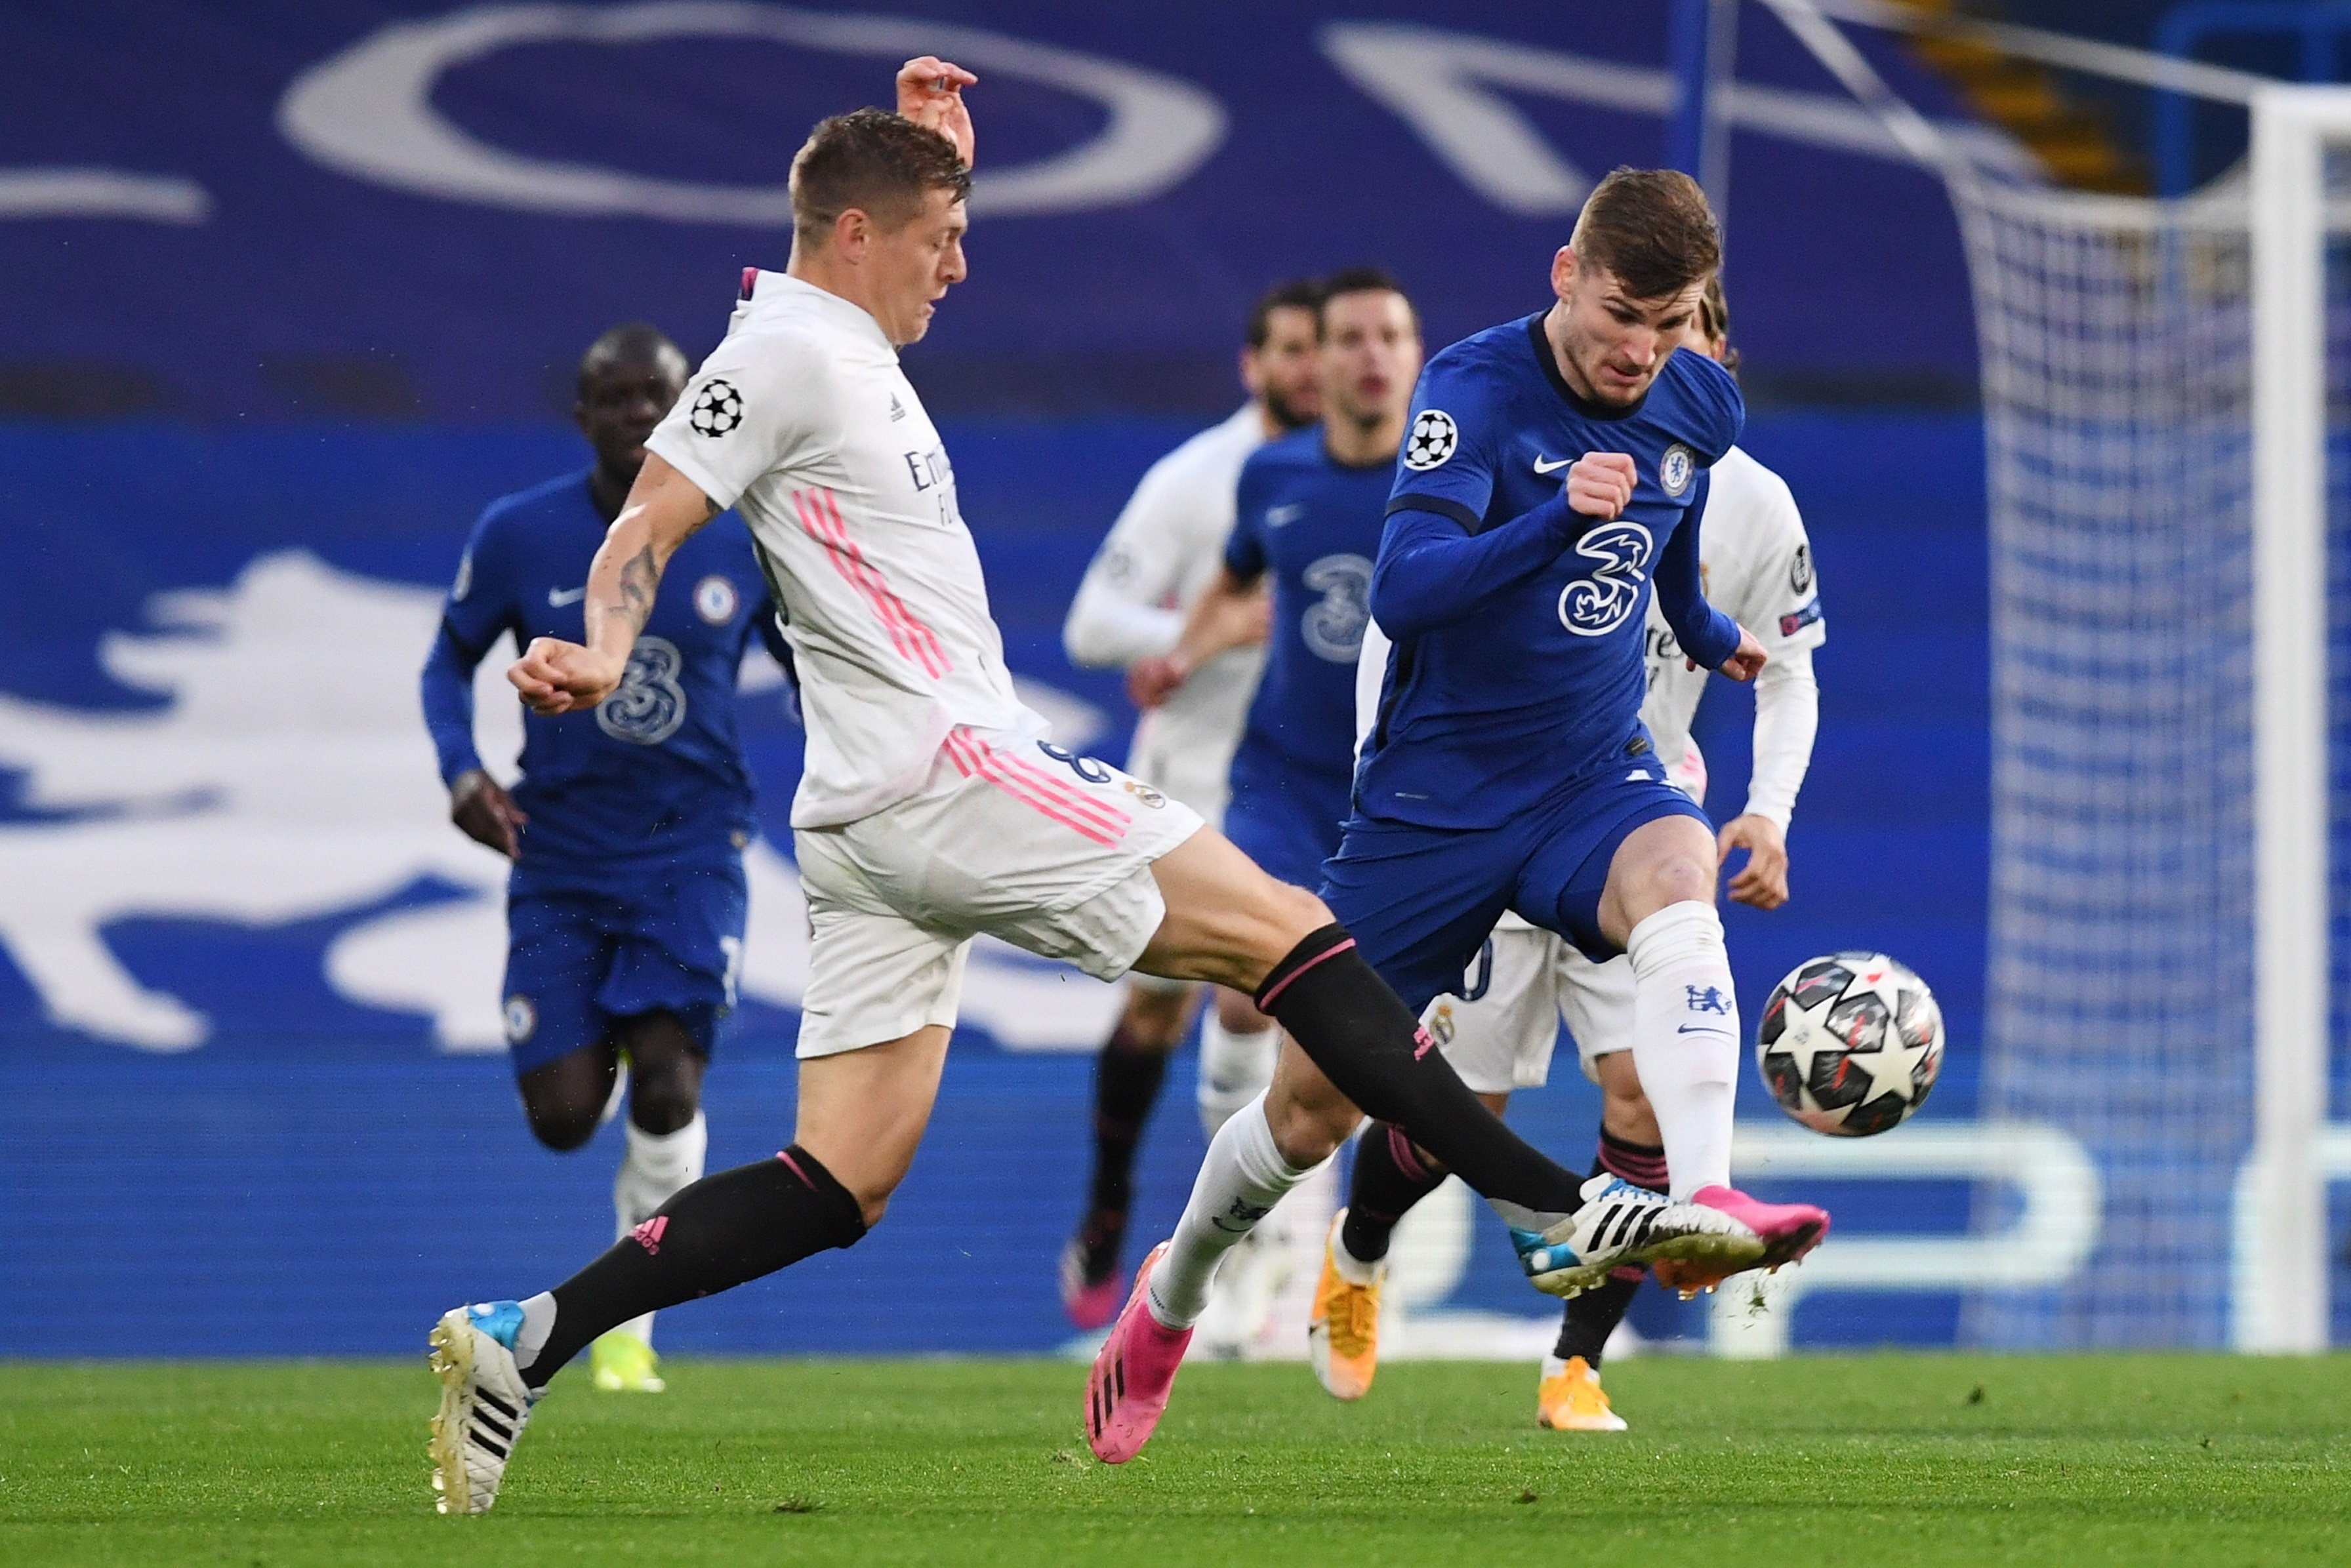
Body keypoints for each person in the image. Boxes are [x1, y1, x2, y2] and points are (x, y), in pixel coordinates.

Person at [425, 61, 1721, 1514]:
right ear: (854, 238)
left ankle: (523, 1337)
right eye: (939, 239)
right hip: (948, 767)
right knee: (1291, 933)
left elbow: (868, 227)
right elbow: (645, 523)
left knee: (839, 1178)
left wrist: (935, 152)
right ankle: (1554, 1210)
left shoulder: (833, 332)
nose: (961, 266)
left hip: (863, 819)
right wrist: (606, 647)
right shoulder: (778, 352)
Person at [1093, 171, 1831, 1464]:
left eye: (1666, 326)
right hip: (1434, 803)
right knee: (1305, 1113)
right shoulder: (1474, 393)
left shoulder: (1690, 394)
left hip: (1589, 775)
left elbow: (1662, 531)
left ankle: (1706, 1190)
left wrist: (1709, 635)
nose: (1638, 352)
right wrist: (1555, 517)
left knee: (1676, 867)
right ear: (1564, 275)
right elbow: (1406, 588)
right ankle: (1170, 1298)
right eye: (1618, 317)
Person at [1307, 277, 1830, 1428]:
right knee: (1460, 1110)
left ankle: (1578, 1363)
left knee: (1640, 1092)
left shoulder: (1748, 501)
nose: (1645, 365)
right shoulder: (1534, 439)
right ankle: (1358, 1254)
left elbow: (1784, 664)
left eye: (1678, 341)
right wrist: (1381, 785)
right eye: (1631, 336)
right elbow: (1407, 615)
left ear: (1717, 359)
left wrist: (1771, 811)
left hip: (1625, 815)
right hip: (1482, 804)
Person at [418, 323, 792, 1397]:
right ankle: (620, 1026)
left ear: (687, 412)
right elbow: (446, 662)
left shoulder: (737, 532)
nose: (639, 414)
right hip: (562, 857)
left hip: (691, 851)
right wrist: (462, 775)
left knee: (671, 1080)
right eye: (616, 399)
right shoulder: (518, 534)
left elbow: (810, 662)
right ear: (581, 417)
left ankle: (631, 1334)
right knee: (564, 1117)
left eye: (657, 398)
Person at [1124, 268, 1422, 1353]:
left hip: (1400, 800)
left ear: (1414, 352)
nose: (1372, 355)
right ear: (1323, 357)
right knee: (1246, 1003)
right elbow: (1236, 577)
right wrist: (1184, 652)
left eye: (1392, 334)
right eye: (1351, 337)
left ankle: (1315, 1256)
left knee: (1365, 1057)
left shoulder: (1449, 478)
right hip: (1281, 784)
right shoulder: (1272, 475)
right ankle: (1244, 1254)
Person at [1055, 279, 1323, 1334]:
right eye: (1291, 350)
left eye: (1327, 347)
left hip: (1305, 782)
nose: (1312, 368)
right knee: (1160, 1009)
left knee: (1267, 991)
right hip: (1196, 776)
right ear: (1253, 365)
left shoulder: (1374, 474)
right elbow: (1089, 625)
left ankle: (1258, 1251)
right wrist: (1195, 631)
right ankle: (1111, 1199)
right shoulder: (1198, 479)